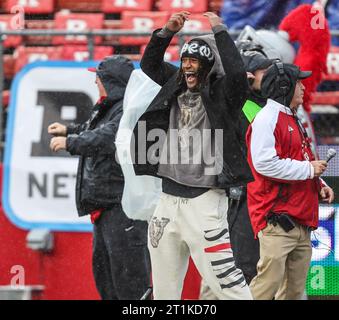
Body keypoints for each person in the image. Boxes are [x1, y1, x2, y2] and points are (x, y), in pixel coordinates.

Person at [132, 11, 253, 300]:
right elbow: (149, 64)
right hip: (167, 201)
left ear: (208, 67)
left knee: (229, 287)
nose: (187, 67)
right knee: (163, 291)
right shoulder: (174, 81)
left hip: (205, 202)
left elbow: (237, 74)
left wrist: (220, 32)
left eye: (194, 62)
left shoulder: (224, 93)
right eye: (185, 61)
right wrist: (166, 33)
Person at [48, 55, 151, 300]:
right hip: (107, 206)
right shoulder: (114, 106)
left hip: (123, 208)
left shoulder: (130, 109)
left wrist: (70, 142)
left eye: (99, 77)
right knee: (107, 280)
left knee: (130, 284)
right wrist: (70, 130)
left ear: (111, 81)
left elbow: (108, 137)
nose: (95, 81)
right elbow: (98, 130)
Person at [246, 62, 334, 300]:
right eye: (298, 82)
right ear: (284, 86)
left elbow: (301, 156)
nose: (303, 88)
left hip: (300, 218)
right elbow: (264, 163)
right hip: (277, 219)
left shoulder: (289, 115)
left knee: (294, 291)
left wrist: (320, 184)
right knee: (267, 285)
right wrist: (308, 170)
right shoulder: (267, 118)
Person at [227, 43, 277, 284]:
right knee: (246, 268)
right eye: (262, 72)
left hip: (263, 197)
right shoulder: (239, 106)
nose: (268, 77)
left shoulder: (268, 105)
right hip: (244, 198)